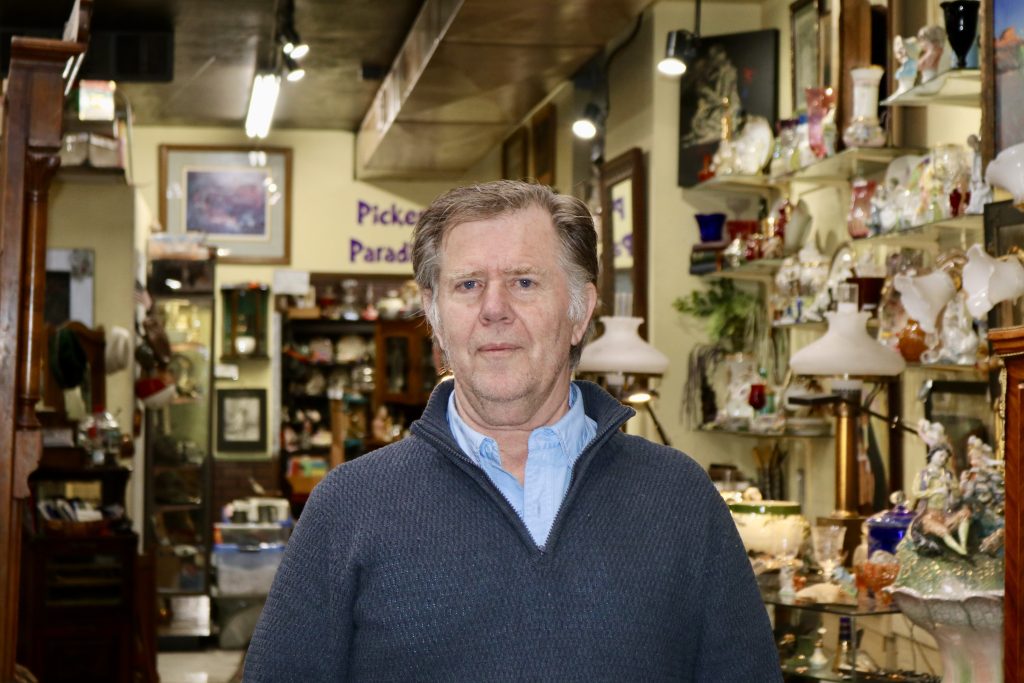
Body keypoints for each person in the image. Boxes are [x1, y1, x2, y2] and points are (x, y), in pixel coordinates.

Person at [244, 180, 781, 681]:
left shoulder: (679, 499)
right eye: (468, 285)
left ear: (580, 312)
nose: (493, 309)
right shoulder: (348, 507)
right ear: (434, 314)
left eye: (524, 282)